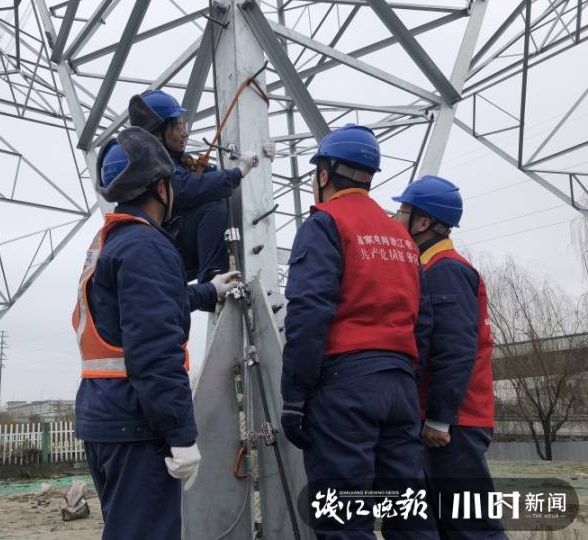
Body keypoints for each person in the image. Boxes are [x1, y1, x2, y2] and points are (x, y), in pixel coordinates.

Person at [73, 126, 239, 540]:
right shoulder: (149, 246)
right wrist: (181, 434)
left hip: (104, 413)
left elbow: (143, 312)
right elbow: (154, 350)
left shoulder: (112, 241)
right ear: (164, 188)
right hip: (137, 421)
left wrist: (206, 292)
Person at [280, 124, 436, 539]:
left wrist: (294, 395)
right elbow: (424, 321)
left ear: (325, 174)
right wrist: (405, 378)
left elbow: (309, 313)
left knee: (345, 518)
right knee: (409, 512)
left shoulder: (326, 223)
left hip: (344, 389)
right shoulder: (402, 238)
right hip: (399, 384)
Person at [393, 176, 505, 539]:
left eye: (403, 211)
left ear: (423, 222)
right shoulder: (432, 268)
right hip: (449, 419)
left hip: (455, 422)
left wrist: (440, 419)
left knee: (471, 527)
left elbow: (456, 349)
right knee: (447, 525)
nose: (396, 218)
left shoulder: (446, 270)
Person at [125, 89, 259, 283]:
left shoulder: (173, 161)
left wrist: (227, 172)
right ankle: (212, 278)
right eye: (178, 127)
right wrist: (237, 173)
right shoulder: (153, 165)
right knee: (212, 206)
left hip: (171, 243)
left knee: (214, 191)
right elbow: (185, 188)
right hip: (168, 242)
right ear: (158, 133)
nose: (185, 133)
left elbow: (204, 178)